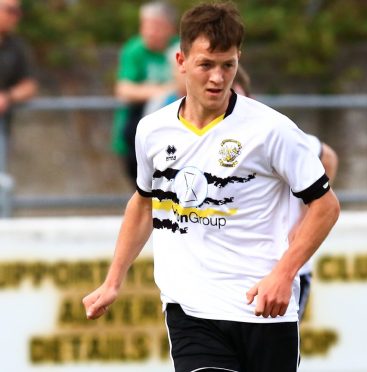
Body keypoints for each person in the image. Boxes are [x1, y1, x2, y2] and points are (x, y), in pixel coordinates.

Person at [83, 2, 340, 372]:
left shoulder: (271, 129)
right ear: (182, 61)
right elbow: (143, 205)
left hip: (263, 312)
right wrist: (113, 281)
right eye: (206, 64)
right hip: (192, 309)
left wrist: (284, 274)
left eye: (228, 65)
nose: (217, 78)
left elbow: (326, 205)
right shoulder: (152, 131)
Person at [232, 64, 338, 321]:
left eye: (235, 97)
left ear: (250, 99)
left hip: (286, 269)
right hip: (233, 274)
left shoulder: (273, 134)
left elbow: (328, 157)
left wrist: (304, 218)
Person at [111, 1, 179, 182]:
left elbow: (191, 87)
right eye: (145, 26)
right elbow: (124, 90)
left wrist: (149, 89)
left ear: (170, 28)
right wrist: (162, 90)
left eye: (156, 27)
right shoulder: (134, 49)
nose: (149, 32)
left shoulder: (182, 47)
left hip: (173, 134)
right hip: (135, 131)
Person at [0, 0, 38, 134]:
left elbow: (29, 86)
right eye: (11, 10)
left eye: (18, 12)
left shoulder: (16, 46)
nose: (16, 16)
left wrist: (7, 97)